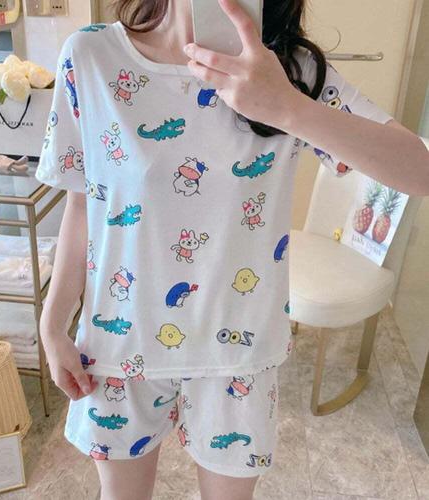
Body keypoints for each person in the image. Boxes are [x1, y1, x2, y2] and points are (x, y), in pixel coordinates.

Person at [35, 0, 429, 498]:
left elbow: (420, 171)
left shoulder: (289, 72)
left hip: (239, 351)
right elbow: (83, 203)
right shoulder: (92, 56)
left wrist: (287, 107)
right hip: (120, 343)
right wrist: (53, 323)